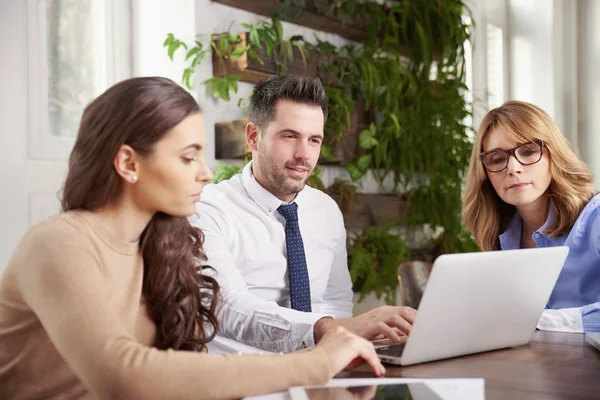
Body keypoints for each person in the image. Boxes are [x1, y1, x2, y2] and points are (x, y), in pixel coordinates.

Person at [0, 77, 387, 399]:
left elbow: (185, 361)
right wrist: (318, 361)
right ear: (128, 164)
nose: (205, 173)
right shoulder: (56, 243)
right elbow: (124, 375)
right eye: (188, 157)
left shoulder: (157, 245)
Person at [192, 75, 416, 354]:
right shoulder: (208, 209)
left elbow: (335, 301)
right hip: (245, 381)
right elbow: (226, 306)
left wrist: (334, 351)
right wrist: (326, 330)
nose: (304, 155)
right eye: (290, 136)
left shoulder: (326, 210)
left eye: (314, 140)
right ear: (253, 136)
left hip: (319, 369)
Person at [462, 100, 600, 333]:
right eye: (497, 159)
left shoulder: (595, 218)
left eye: (528, 151)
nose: (513, 168)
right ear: (485, 174)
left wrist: (539, 321)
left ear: (553, 156)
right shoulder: (501, 238)